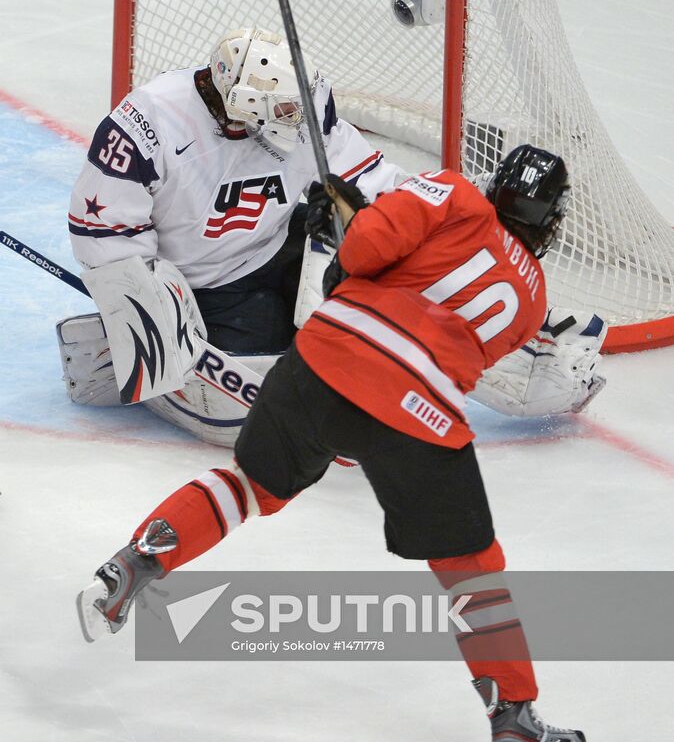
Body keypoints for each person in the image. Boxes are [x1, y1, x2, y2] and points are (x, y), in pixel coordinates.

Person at [77, 145, 585, 742]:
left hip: (323, 361)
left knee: (251, 486)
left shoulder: (455, 191)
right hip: (416, 410)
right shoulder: (532, 303)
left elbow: (364, 259)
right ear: (548, 217)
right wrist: (356, 237)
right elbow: (446, 337)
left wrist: (352, 226)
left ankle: (138, 559)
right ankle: (515, 717)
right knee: (469, 566)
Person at [66, 26, 403, 357]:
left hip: (278, 239)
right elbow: (104, 230)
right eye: (286, 111)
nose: (298, 119)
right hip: (205, 282)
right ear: (246, 104)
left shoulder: (302, 105)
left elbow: (359, 175)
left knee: (369, 290)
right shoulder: (148, 121)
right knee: (271, 362)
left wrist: (413, 214)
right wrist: (147, 307)